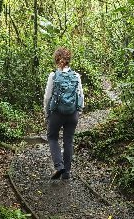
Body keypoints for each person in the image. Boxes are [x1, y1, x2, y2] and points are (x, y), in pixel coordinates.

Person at [43, 47, 84, 180]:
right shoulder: (76, 76)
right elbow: (80, 95)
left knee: (52, 137)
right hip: (72, 113)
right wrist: (79, 111)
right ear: (68, 60)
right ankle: (66, 173)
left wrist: (46, 112)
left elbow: (47, 97)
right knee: (68, 140)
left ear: (56, 59)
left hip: (57, 113)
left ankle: (59, 166)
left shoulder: (53, 75)